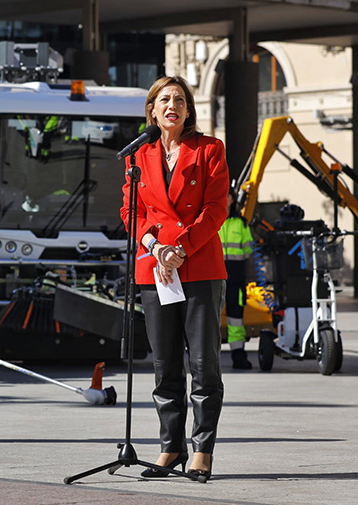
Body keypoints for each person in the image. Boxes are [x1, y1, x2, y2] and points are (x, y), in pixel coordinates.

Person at [120, 76, 228, 480]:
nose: (172, 106)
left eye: (179, 100)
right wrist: (156, 247)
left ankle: (202, 449)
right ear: (151, 109)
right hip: (156, 269)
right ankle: (170, 446)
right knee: (164, 365)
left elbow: (216, 208)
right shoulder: (138, 156)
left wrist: (179, 247)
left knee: (203, 365)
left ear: (188, 109)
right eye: (164, 99)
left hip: (197, 265)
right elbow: (131, 212)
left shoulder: (209, 149)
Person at [219, 189, 254, 369]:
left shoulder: (241, 223)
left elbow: (248, 251)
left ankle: (238, 355)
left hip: (235, 277)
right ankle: (205, 358)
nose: (224, 198)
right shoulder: (211, 220)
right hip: (214, 276)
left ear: (232, 199)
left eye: (227, 195)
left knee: (236, 318)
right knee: (209, 318)